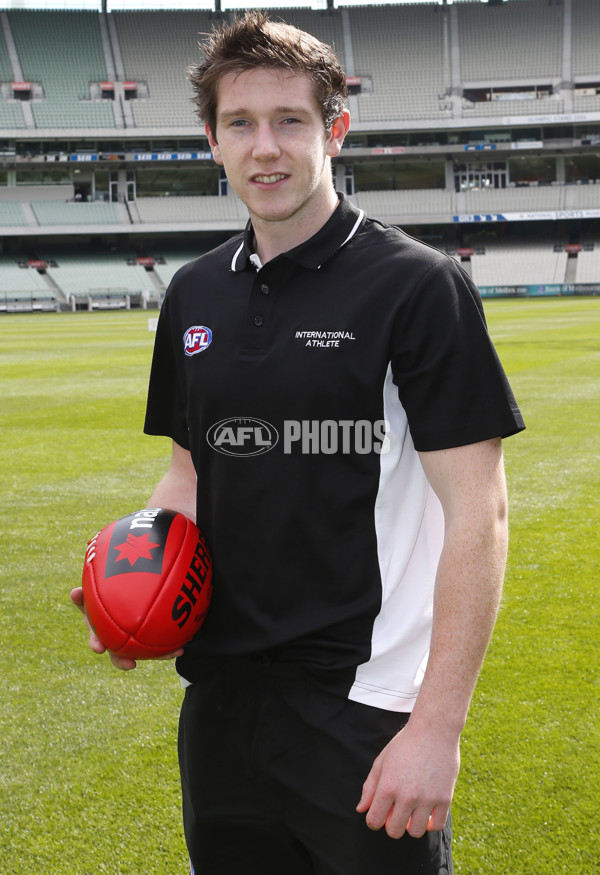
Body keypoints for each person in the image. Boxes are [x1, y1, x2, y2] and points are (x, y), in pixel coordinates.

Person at [72, 12, 525, 874]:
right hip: (222, 700)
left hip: (363, 704)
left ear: (334, 130)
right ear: (212, 139)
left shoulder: (418, 287)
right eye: (240, 124)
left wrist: (436, 726)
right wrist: (125, 577)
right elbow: (187, 474)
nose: (265, 148)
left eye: (291, 121)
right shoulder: (195, 292)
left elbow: (482, 514)